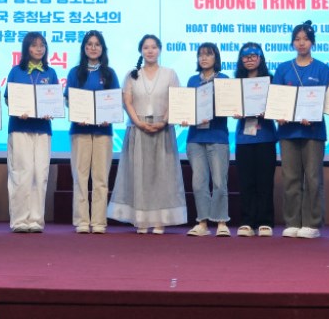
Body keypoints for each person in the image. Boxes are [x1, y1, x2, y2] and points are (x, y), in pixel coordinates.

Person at [107, 34, 187, 233]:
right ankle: (141, 220)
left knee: (162, 175)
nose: (150, 51)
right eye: (146, 47)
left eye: (153, 47)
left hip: (163, 129)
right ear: (141, 51)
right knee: (139, 175)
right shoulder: (132, 74)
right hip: (137, 129)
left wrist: (163, 122)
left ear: (159, 50)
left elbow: (175, 100)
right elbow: (127, 102)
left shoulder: (170, 74)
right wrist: (139, 123)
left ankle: (160, 220)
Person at [273, 21, 329, 239]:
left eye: (305, 39)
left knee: (313, 178)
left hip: (313, 132)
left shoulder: (323, 69)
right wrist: (279, 114)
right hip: (288, 132)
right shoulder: (283, 69)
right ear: (292, 43)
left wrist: (315, 114)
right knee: (290, 177)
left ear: (312, 42)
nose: (301, 43)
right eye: (297, 39)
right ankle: (292, 221)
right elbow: (277, 98)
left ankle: (312, 223)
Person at [64, 30, 119, 234]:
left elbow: (115, 102)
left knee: (100, 178)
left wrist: (109, 115)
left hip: (103, 131)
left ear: (102, 48)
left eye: (97, 44)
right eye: (89, 44)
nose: (93, 48)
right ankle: (81, 220)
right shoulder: (75, 72)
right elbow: (69, 100)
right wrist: (78, 113)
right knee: (80, 176)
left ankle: (98, 221)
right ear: (84, 48)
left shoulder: (109, 73)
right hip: (80, 129)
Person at [4, 31, 59, 233]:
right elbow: (8, 98)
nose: (39, 49)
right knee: (21, 172)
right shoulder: (16, 71)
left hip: (42, 129)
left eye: (42, 45)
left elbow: (55, 101)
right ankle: (19, 220)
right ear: (27, 48)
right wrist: (18, 109)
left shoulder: (50, 73)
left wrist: (50, 111)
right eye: (34, 45)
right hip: (20, 128)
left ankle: (36, 220)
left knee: (40, 173)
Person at [182, 42, 231, 237]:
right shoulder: (192, 80)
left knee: (219, 182)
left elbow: (228, 107)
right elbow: (186, 106)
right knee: (198, 183)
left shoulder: (224, 80)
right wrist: (184, 117)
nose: (204, 58)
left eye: (208, 54)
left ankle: (221, 221)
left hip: (217, 137)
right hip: (195, 138)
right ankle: (202, 222)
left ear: (215, 58)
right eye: (201, 54)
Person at [233, 43, 278, 237]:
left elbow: (279, 107)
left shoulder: (271, 80)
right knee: (246, 182)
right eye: (246, 56)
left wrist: (270, 110)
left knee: (265, 182)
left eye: (253, 55)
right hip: (244, 138)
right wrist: (233, 110)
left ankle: (265, 221)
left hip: (265, 136)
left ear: (261, 58)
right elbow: (229, 106)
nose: (250, 59)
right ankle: (247, 221)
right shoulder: (236, 83)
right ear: (241, 60)